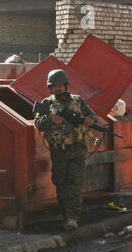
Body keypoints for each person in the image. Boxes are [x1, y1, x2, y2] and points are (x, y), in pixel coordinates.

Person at [34, 69, 99, 231]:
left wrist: (90, 121)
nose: (55, 88)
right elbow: (38, 123)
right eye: (52, 86)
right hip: (59, 151)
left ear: (65, 85)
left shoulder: (77, 101)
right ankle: (66, 214)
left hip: (77, 150)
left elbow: (92, 116)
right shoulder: (47, 103)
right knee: (61, 184)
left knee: (75, 184)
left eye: (58, 85)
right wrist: (51, 119)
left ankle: (72, 218)